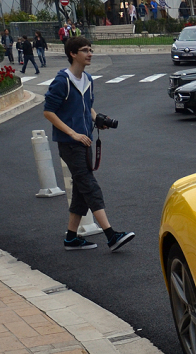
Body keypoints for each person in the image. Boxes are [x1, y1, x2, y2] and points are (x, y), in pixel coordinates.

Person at [43, 36, 134, 253]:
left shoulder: (88, 80)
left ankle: (71, 238)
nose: (90, 53)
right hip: (70, 143)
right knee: (89, 185)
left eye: (90, 49)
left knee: (81, 190)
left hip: (85, 141)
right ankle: (111, 235)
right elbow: (48, 112)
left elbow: (87, 107)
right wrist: (73, 133)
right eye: (85, 50)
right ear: (73, 54)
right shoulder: (62, 81)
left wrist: (97, 120)